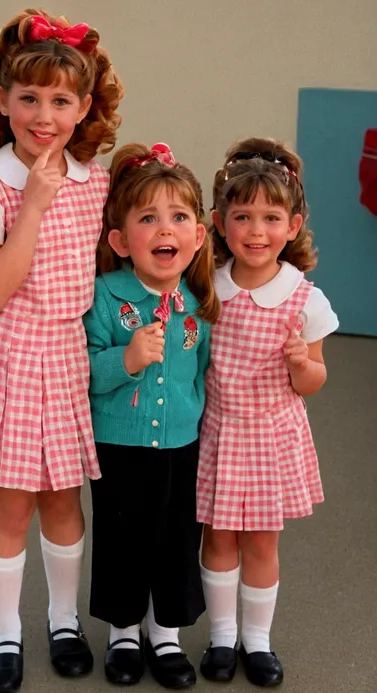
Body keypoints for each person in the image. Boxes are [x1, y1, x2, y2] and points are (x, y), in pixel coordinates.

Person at [0, 8, 122, 692]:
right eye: (29, 98)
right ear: (1, 100)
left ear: (84, 106)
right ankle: (4, 630)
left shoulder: (93, 178)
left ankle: (62, 621)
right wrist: (33, 205)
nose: (45, 115)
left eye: (61, 100)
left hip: (66, 353)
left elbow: (100, 275)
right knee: (12, 504)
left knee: (64, 500)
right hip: (11, 350)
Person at [197, 138, 339, 687]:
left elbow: (315, 381)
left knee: (260, 540)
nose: (256, 231)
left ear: (294, 224)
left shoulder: (304, 298)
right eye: (243, 217)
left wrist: (302, 363)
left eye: (271, 217)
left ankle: (257, 641)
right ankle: (221, 637)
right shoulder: (209, 285)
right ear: (219, 221)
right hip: (217, 432)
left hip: (271, 436)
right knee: (218, 539)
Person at [83, 142, 221, 688]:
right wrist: (128, 359)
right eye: (148, 218)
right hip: (118, 445)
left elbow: (203, 373)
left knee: (176, 538)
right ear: (120, 241)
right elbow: (86, 372)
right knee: (123, 537)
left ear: (198, 236)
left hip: (181, 445)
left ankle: (166, 633)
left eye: (179, 217)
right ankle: (122, 631)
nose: (166, 229)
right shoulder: (105, 296)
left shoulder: (199, 304)